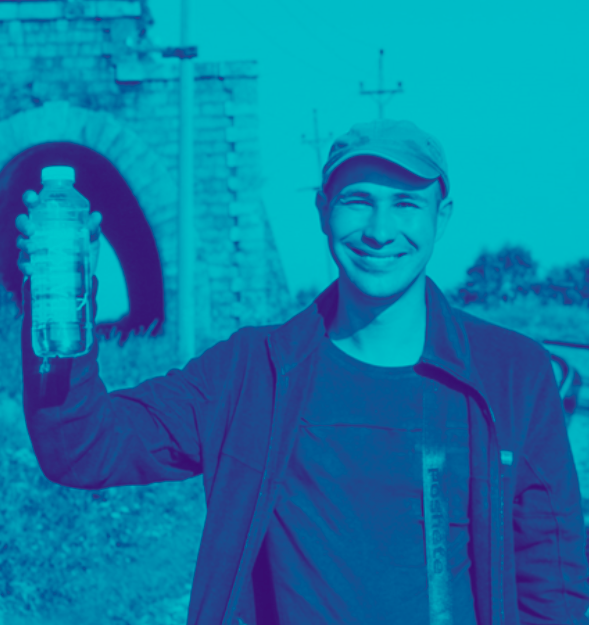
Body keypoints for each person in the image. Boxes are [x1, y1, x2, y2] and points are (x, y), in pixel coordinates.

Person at [15, 119, 589, 625]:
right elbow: (83, 448)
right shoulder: (250, 373)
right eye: (357, 200)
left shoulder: (512, 374)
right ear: (322, 210)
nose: (380, 230)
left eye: (406, 204)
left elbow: (554, 577)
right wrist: (62, 303)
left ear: (443, 218)